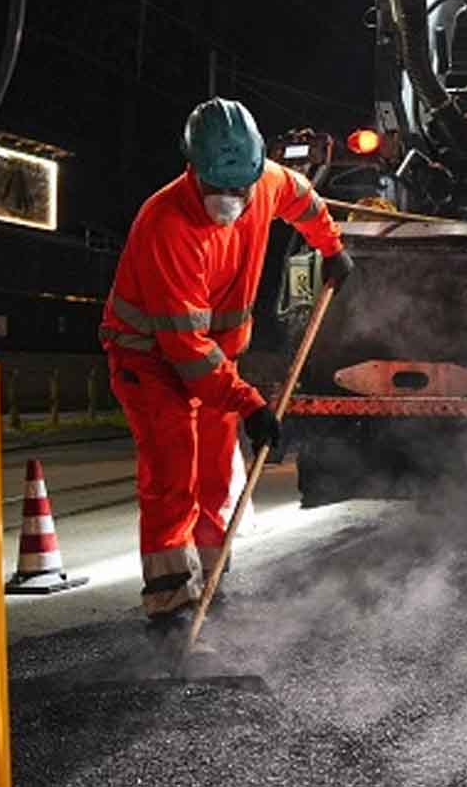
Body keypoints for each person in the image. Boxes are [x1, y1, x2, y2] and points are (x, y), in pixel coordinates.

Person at [99, 98, 353, 638]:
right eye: (221, 188)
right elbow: (186, 351)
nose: (234, 199)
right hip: (151, 362)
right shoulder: (166, 225)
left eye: (242, 188)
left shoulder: (266, 181)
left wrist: (331, 246)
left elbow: (303, 199)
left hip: (215, 359)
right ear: (193, 169)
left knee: (217, 476)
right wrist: (251, 403)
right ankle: (170, 605)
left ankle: (213, 582)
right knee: (175, 477)